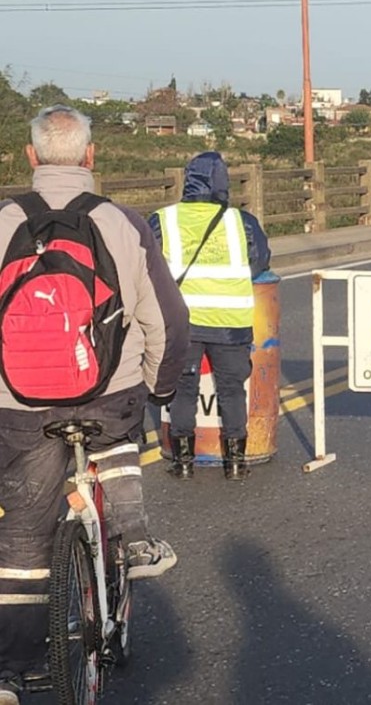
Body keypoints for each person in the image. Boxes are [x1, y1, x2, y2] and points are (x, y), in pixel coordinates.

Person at [0, 106, 188, 699]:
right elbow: (168, 320)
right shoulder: (121, 222)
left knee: (23, 541)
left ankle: (13, 666)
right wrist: (159, 387)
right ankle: (133, 538)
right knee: (118, 429)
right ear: (91, 156)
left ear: (30, 157)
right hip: (106, 394)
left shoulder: (3, 220)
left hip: (19, 405)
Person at [150, 153, 271, 482]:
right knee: (232, 389)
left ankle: (184, 463)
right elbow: (260, 262)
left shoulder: (164, 219)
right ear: (222, 183)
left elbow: (147, 264)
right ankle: (235, 462)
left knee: (183, 389)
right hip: (230, 322)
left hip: (182, 322)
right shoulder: (241, 222)